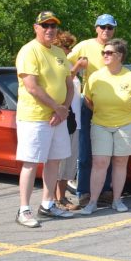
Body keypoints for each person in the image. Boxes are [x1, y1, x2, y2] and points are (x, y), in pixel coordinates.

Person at [14, 11, 74, 228]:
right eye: (45, 25)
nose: (50, 29)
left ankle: (48, 204)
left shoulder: (59, 52)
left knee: (54, 161)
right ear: (36, 27)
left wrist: (64, 109)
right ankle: (24, 209)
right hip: (35, 118)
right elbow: (32, 86)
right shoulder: (29, 51)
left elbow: (69, 85)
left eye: (53, 26)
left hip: (58, 117)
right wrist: (56, 108)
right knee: (31, 163)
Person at [80, 39, 131, 214]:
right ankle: (92, 202)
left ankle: (117, 200)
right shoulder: (95, 76)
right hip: (100, 124)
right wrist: (102, 112)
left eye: (109, 53)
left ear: (120, 56)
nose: (105, 55)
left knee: (120, 162)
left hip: (126, 124)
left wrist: (123, 113)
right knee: (100, 162)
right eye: (104, 52)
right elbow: (88, 100)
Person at [67, 14, 118, 205]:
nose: (106, 30)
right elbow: (64, 67)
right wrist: (78, 66)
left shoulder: (116, 47)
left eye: (110, 27)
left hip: (110, 105)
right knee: (86, 150)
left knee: (107, 150)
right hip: (89, 103)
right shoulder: (84, 45)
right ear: (96, 28)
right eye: (102, 27)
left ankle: (105, 190)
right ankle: (83, 192)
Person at [52, 30, 81, 210]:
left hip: (75, 121)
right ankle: (56, 198)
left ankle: (62, 196)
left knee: (70, 163)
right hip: (64, 120)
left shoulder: (69, 67)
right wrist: (76, 67)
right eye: (65, 46)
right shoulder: (60, 68)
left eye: (69, 47)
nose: (68, 50)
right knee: (59, 162)